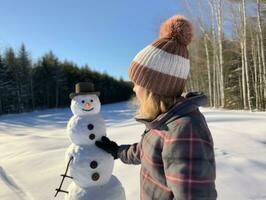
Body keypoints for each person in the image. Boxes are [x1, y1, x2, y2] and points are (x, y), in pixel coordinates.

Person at [95, 15, 217, 200]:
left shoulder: (184, 131)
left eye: (137, 83)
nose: (134, 88)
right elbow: (146, 151)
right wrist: (118, 151)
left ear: (154, 88)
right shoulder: (164, 122)